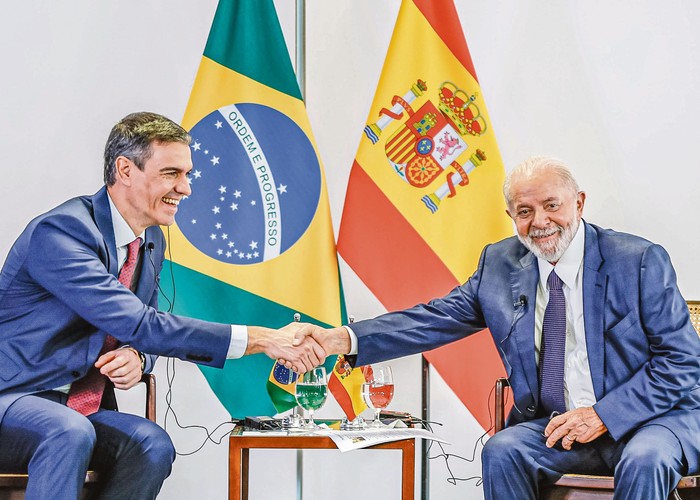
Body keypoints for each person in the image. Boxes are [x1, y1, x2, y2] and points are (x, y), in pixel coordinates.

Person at [291, 156, 700, 499]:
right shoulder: (499, 265)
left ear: (578, 203)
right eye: (525, 212)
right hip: (562, 426)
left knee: (646, 460)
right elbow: (432, 319)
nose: (540, 221)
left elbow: (683, 362)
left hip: (652, 421)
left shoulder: (638, 260)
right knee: (503, 449)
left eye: (551, 205)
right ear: (511, 216)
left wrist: (603, 415)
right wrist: (339, 339)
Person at [0, 112, 323, 500]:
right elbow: (143, 322)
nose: (185, 188)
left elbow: (140, 336)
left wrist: (137, 357)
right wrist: (261, 339)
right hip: (14, 397)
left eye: (187, 174)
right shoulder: (60, 234)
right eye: (172, 173)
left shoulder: (150, 239)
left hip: (73, 408)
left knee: (151, 445)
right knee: (68, 432)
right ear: (125, 169)